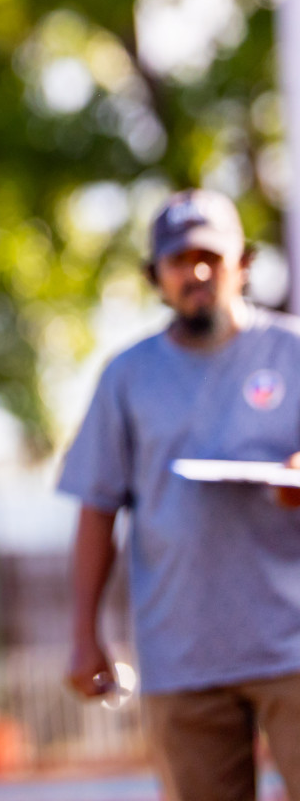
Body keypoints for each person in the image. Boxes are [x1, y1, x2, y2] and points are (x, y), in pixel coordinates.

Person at [60, 188, 300, 801]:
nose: (196, 272)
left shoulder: (292, 354)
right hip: (182, 658)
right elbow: (97, 508)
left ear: (243, 264)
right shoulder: (127, 377)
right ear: (156, 277)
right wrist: (85, 633)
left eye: (211, 257)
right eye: (178, 260)